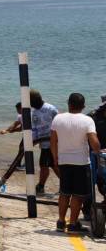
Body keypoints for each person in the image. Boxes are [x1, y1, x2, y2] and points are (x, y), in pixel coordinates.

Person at [50, 92, 100, 233]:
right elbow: (95, 144)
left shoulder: (58, 119)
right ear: (83, 106)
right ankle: (72, 224)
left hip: (64, 161)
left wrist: (55, 158)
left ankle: (61, 223)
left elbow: (53, 141)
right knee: (78, 195)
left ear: (68, 104)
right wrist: (98, 150)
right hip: (81, 163)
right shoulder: (87, 120)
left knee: (64, 193)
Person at [30, 89, 59, 194]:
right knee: (47, 165)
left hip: (54, 143)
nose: (30, 105)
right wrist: (32, 141)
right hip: (43, 144)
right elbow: (34, 129)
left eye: (30, 102)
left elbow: (60, 123)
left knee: (51, 165)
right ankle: (41, 186)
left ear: (36, 100)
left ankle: (66, 186)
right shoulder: (34, 113)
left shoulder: (51, 109)